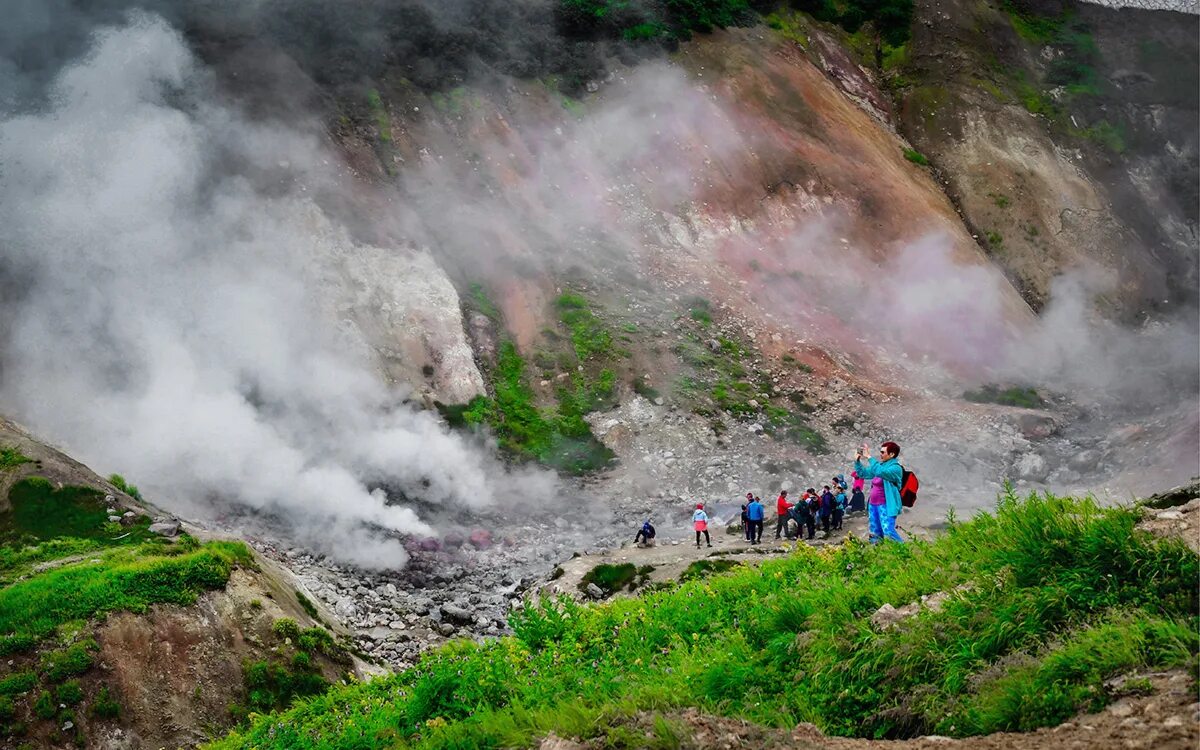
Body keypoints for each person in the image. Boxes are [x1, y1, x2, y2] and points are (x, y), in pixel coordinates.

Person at [853, 441, 905, 544]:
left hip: (886, 505)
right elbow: (863, 473)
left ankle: (903, 552)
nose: (880, 455)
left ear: (892, 454)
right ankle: (877, 553)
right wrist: (857, 461)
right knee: (875, 531)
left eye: (882, 452)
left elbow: (881, 472)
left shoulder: (896, 468)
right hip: (873, 505)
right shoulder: (880, 466)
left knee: (888, 530)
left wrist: (869, 457)